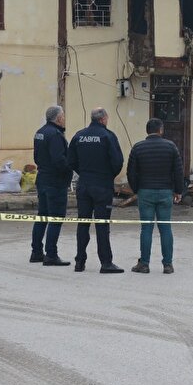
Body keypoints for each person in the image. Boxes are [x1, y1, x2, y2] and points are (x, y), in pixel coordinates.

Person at [67, 108, 125, 274]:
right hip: (102, 186)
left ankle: (79, 261)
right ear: (104, 119)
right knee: (102, 225)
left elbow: (70, 161)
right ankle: (106, 262)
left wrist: (84, 172)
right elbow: (117, 162)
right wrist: (107, 176)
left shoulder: (79, 135)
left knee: (83, 224)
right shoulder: (108, 136)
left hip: (84, 185)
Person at [126, 118, 184, 274]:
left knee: (146, 229)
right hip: (165, 192)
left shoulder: (138, 148)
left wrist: (136, 189)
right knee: (165, 228)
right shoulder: (171, 147)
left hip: (145, 191)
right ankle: (168, 265)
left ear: (147, 131)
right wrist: (178, 191)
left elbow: (131, 172)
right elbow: (178, 171)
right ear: (161, 130)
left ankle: (144, 264)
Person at [30, 105, 73, 265]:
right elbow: (59, 160)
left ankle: (36, 251)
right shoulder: (55, 134)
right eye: (63, 116)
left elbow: (36, 157)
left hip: (42, 178)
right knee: (55, 218)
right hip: (55, 181)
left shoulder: (40, 132)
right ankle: (51, 255)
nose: (64, 118)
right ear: (59, 118)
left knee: (42, 215)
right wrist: (70, 168)